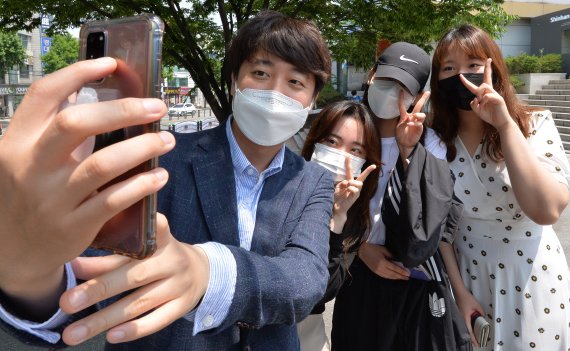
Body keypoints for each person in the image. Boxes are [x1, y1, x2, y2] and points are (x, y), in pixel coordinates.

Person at [0, 11, 334, 350]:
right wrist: (27, 274)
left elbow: (305, 279)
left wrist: (207, 272)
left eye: (295, 82)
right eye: (261, 73)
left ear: (312, 100)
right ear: (235, 79)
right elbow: (91, 268)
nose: (275, 93)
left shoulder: (314, 180)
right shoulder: (163, 156)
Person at [429, 24, 570, 351]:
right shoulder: (434, 139)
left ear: (495, 68)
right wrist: (458, 291)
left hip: (532, 277)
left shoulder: (534, 124)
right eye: (449, 68)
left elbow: (546, 209)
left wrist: (504, 123)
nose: (461, 76)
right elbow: (438, 226)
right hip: (467, 277)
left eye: (473, 66)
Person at [331, 42, 474, 351]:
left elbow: (431, 220)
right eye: (386, 81)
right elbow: (323, 203)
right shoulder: (348, 133)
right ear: (371, 76)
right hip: (356, 271)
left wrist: (409, 151)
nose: (393, 94)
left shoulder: (429, 142)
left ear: (417, 96)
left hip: (414, 277)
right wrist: (361, 249)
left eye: (404, 88)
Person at [296, 100, 380, 351]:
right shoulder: (280, 186)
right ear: (315, 142)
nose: (341, 155)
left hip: (305, 334)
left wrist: (338, 217)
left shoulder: (355, 219)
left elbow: (325, 290)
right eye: (332, 142)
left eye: (355, 150)